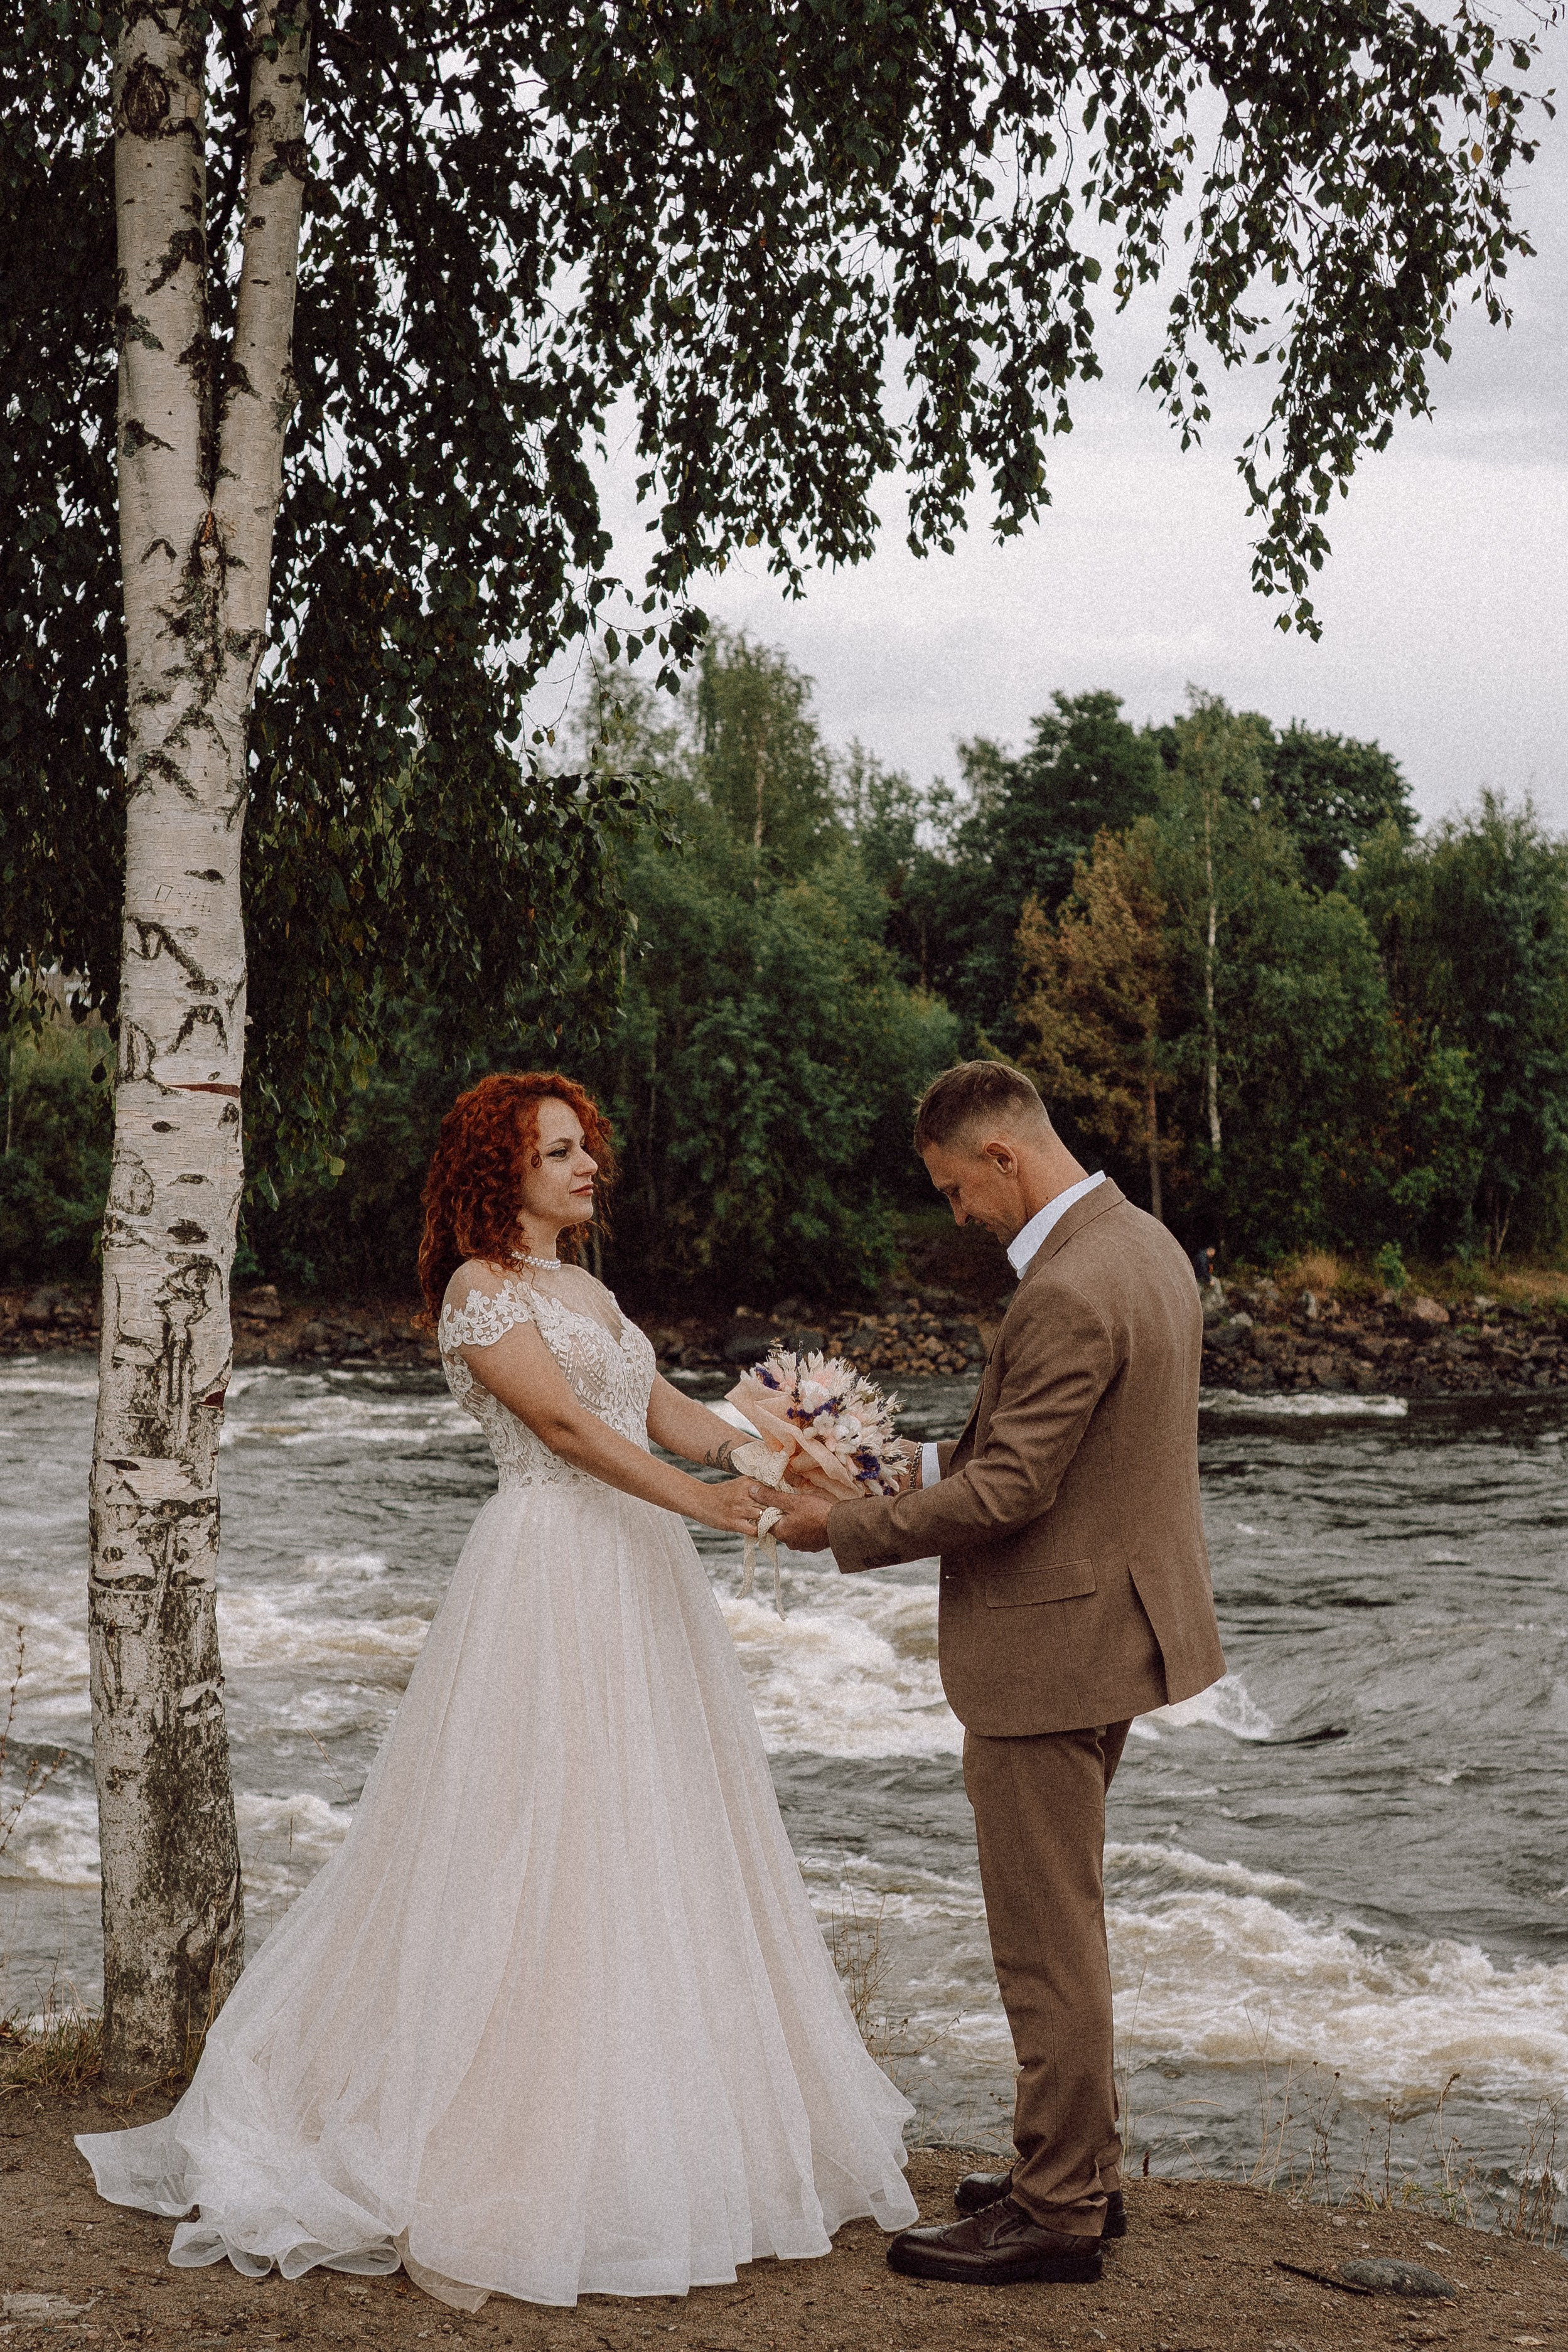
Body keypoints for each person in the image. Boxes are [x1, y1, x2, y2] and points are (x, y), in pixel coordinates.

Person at [78, 1071, 916, 2309]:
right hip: (550, 1563)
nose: (588, 1167)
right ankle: (496, 2127)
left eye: (587, 1147)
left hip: (638, 1572)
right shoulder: (481, 1290)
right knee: (531, 1826)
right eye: (560, 1151)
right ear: (502, 1170)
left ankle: (659, 2124)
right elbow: (569, 1431)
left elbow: (661, 1411)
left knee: (648, 1821)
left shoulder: (591, 1291)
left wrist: (781, 1452)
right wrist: (708, 1503)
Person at [765, 1060, 1225, 2289]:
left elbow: (1012, 1488)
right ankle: (1077, 2169)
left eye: (953, 1187)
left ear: (1002, 1156)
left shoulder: (1067, 1285)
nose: (958, 1212)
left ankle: (1057, 2207)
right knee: (1066, 1915)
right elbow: (1016, 1450)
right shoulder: (1144, 1247)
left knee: (1044, 1940)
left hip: (1050, 1648)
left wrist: (840, 1528)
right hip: (1115, 1628)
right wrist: (882, 1466)